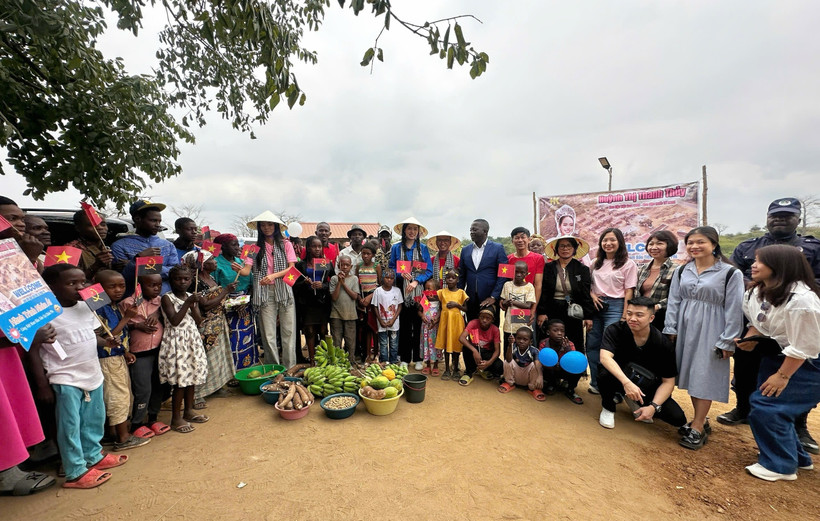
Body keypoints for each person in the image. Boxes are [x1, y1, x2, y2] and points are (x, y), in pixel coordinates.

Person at [725, 197, 820, 456]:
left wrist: (782, 287)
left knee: (785, 390)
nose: (779, 219)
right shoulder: (750, 249)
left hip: (799, 331)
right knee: (748, 377)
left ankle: (796, 427)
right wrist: (752, 330)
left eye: (787, 215)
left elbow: (804, 347)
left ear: (797, 219)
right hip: (764, 328)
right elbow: (736, 275)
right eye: (775, 215)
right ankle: (743, 410)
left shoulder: (809, 257)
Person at [34, 264, 127, 489]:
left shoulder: (87, 307)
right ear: (52, 287)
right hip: (65, 377)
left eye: (83, 282)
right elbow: (33, 350)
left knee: (93, 420)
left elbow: (90, 336)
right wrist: (42, 385)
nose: (80, 287)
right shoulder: (45, 313)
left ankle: (94, 455)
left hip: (92, 373)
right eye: (71, 283)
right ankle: (75, 471)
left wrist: (107, 342)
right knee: (70, 426)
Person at [737, 245, 820, 481]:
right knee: (774, 406)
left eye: (760, 261)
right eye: (754, 260)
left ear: (780, 266)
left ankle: (780, 466)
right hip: (779, 354)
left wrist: (782, 376)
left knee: (767, 406)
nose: (753, 265)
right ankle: (797, 457)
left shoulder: (802, 300)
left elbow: (806, 346)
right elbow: (758, 322)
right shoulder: (757, 291)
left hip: (809, 361)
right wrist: (750, 339)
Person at [663, 226, 744, 450]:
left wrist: (728, 340)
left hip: (713, 329)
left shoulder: (730, 273)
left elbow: (734, 308)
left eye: (701, 242)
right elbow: (674, 301)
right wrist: (671, 327)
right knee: (691, 374)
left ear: (714, 245)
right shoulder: (682, 271)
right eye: (690, 243)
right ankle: (701, 420)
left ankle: (697, 427)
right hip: (686, 328)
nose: (695, 247)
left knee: (704, 375)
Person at [597, 297, 687, 430]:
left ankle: (636, 401)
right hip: (620, 378)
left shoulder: (663, 343)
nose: (632, 318)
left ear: (651, 318)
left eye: (639, 315)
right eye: (629, 313)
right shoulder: (615, 330)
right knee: (605, 372)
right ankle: (608, 408)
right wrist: (626, 383)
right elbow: (605, 358)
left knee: (678, 418)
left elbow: (668, 382)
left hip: (645, 385)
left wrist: (653, 407)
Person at [93, 270, 150, 451]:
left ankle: (113, 433)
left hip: (117, 356)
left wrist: (124, 351)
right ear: (99, 289)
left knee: (122, 395)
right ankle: (123, 438)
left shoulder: (113, 305)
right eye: (112, 286)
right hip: (107, 358)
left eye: (121, 286)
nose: (118, 290)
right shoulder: (99, 309)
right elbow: (106, 337)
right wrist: (127, 318)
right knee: (118, 396)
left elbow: (118, 338)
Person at [0, 324, 57, 496]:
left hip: (8, 354)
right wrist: (25, 335)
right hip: (7, 346)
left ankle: (14, 463)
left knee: (11, 407)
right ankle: (5, 473)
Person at [584, 228, 638, 394]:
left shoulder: (628, 264)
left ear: (620, 242)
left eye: (612, 240)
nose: (608, 243)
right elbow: (589, 285)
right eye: (605, 240)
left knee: (610, 348)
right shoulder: (595, 263)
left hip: (616, 307)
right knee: (592, 345)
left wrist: (624, 315)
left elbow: (629, 291)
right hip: (596, 306)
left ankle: (613, 387)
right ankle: (596, 382)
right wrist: (592, 295)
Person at [182, 251, 236, 410]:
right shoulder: (196, 282)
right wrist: (226, 291)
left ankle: (217, 387)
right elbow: (205, 304)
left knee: (219, 358)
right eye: (211, 259)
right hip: (206, 325)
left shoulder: (210, 279)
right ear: (202, 265)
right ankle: (198, 393)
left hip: (218, 322)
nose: (215, 261)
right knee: (206, 359)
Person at [159, 265, 209, 433]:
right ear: (171, 280)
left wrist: (194, 305)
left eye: (186, 279)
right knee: (181, 381)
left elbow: (198, 320)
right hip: (176, 342)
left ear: (191, 280)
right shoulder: (167, 298)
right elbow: (174, 320)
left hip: (192, 340)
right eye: (178, 279)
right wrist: (188, 303)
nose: (182, 282)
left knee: (192, 377)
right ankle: (176, 417)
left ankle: (188, 410)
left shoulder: (190, 296)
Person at [119, 273, 169, 438]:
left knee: (158, 385)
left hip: (159, 350)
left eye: (159, 285)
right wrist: (137, 326)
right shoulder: (127, 304)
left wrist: (158, 314)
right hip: (140, 353)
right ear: (139, 286)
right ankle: (137, 423)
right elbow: (118, 329)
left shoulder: (160, 301)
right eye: (151, 285)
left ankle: (153, 418)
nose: (156, 288)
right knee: (143, 389)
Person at [247, 212, 298, 368]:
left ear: (276, 226)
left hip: (284, 291)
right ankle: (273, 369)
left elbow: (292, 268)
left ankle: (290, 370)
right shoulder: (252, 248)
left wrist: (273, 276)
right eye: (263, 225)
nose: (266, 228)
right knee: (268, 334)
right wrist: (235, 267)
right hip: (263, 293)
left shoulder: (286, 244)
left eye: (269, 224)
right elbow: (245, 270)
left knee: (288, 333)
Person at [536, 235, 594, 371]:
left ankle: (571, 378)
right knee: (550, 341)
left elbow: (586, 294)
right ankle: (550, 378)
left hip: (572, 311)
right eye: (561, 246)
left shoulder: (582, 269)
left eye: (569, 246)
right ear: (556, 250)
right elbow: (543, 291)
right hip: (552, 310)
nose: (565, 248)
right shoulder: (549, 268)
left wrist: (588, 316)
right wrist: (542, 312)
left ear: (574, 249)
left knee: (573, 341)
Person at [388, 217, 433, 369]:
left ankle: (419, 358)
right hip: (401, 291)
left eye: (415, 229)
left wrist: (416, 281)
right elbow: (391, 268)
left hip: (419, 292)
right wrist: (401, 274)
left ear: (419, 232)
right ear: (404, 231)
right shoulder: (396, 248)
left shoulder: (423, 249)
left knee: (419, 324)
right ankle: (405, 359)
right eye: (409, 228)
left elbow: (429, 270)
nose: (412, 232)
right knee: (405, 325)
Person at [111, 199, 179, 295]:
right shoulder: (119, 246)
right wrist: (138, 258)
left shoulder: (168, 245)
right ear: (137, 219)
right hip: (135, 302)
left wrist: (137, 264)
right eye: (153, 220)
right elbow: (123, 278)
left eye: (159, 221)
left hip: (165, 300)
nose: (158, 225)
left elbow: (174, 273)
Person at [212, 232, 256, 370]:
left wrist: (244, 301)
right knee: (231, 340)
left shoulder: (240, 262)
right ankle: (232, 372)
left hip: (245, 306)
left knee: (247, 338)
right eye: (234, 245)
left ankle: (248, 367)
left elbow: (251, 282)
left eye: (238, 244)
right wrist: (234, 303)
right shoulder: (216, 264)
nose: (238, 247)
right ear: (223, 247)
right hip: (227, 308)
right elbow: (214, 289)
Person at [458, 219, 508, 323]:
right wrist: (459, 296)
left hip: (490, 299)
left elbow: (504, 275)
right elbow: (462, 275)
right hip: (470, 299)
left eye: (474, 230)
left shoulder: (498, 248)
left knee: (490, 330)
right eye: (470, 230)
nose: (471, 232)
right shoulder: (465, 250)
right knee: (472, 328)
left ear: (485, 231)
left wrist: (494, 296)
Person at [294, 236, 334, 363]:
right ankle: (312, 361)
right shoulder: (301, 264)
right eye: (314, 246)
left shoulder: (325, 263)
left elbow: (334, 281)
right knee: (309, 332)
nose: (317, 249)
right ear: (308, 248)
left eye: (319, 246)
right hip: (307, 303)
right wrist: (305, 283)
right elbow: (293, 284)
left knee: (323, 331)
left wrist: (323, 286)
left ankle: (324, 360)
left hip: (322, 302)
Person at [636, 230, 679, 328]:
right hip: (641, 316)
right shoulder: (643, 268)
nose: (654, 247)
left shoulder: (676, 269)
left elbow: (677, 297)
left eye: (659, 243)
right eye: (651, 244)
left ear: (670, 245)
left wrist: (657, 306)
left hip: (662, 317)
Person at [539, 319, 584, 404]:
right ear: (548, 332)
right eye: (555, 330)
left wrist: (568, 350)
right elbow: (541, 360)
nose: (559, 333)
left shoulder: (569, 344)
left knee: (579, 367)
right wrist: (552, 365)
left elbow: (574, 361)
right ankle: (551, 384)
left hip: (565, 370)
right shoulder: (544, 343)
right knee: (542, 367)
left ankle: (570, 389)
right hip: (550, 369)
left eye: (562, 331)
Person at [436, 270, 469, 381]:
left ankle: (455, 369)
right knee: (446, 344)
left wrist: (457, 305)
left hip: (456, 322)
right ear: (445, 279)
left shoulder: (461, 293)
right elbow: (438, 305)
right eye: (448, 277)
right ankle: (446, 369)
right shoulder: (441, 292)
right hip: (445, 322)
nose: (450, 279)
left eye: (453, 277)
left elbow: (466, 309)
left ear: (457, 280)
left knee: (455, 345)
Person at [458, 306, 503, 385]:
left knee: (499, 366)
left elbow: (497, 351)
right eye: (482, 317)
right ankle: (468, 373)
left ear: (492, 320)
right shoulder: (473, 323)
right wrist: (474, 351)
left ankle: (484, 369)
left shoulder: (495, 329)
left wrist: (488, 363)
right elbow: (462, 338)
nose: (484, 320)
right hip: (474, 350)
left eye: (488, 318)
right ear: (479, 317)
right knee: (465, 347)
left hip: (486, 353)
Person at [65, 208, 114, 280]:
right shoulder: (70, 249)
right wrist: (96, 266)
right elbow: (68, 281)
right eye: (92, 225)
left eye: (103, 224)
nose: (100, 228)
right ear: (78, 228)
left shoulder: (105, 248)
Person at [499, 261, 537, 352]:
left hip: (523, 324)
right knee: (509, 348)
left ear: (526, 274)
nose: (519, 275)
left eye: (522, 272)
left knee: (523, 349)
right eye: (516, 272)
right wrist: (506, 303)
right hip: (509, 324)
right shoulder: (507, 285)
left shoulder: (529, 287)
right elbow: (502, 301)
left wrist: (513, 302)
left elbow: (528, 305)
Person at [498, 327, 544, 400]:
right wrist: (510, 345)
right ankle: (509, 383)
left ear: (531, 341)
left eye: (525, 339)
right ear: (515, 338)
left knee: (535, 365)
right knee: (507, 362)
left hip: (527, 378)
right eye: (519, 338)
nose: (521, 341)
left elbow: (538, 363)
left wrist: (540, 376)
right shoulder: (514, 347)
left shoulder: (534, 351)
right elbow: (509, 359)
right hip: (516, 376)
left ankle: (533, 388)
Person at [330, 255, 360, 361]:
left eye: (347, 265)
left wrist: (344, 284)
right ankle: (337, 363)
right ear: (339, 265)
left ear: (351, 266)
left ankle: (350, 362)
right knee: (336, 341)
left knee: (350, 342)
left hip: (351, 315)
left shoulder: (354, 278)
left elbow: (355, 296)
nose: (345, 267)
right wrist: (339, 282)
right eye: (343, 265)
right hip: (336, 314)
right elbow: (334, 297)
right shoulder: (334, 278)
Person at [370, 269, 403, 364]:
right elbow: (375, 306)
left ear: (394, 279)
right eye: (387, 277)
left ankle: (393, 362)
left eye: (391, 278)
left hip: (394, 323)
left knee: (393, 343)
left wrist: (393, 319)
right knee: (383, 344)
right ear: (383, 278)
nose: (389, 280)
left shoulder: (397, 291)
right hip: (382, 323)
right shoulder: (378, 291)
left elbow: (400, 306)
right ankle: (384, 362)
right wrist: (380, 320)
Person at [357, 241, 381, 363]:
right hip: (362, 299)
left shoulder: (376, 266)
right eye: (363, 253)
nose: (365, 256)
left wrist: (371, 296)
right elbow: (357, 284)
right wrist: (360, 299)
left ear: (373, 255)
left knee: (374, 327)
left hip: (374, 298)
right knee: (366, 328)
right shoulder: (359, 266)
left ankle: (376, 353)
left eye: (368, 254)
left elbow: (380, 284)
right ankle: (366, 354)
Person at [508, 227, 545, 305]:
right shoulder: (508, 259)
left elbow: (538, 285)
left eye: (523, 237)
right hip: (512, 302)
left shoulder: (538, 258)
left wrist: (534, 307)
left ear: (528, 239)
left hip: (530, 301)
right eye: (517, 238)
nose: (520, 240)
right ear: (512, 241)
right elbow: (506, 283)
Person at [418, 279, 442, 375]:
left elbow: (441, 311)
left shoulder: (439, 301)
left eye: (429, 288)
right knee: (426, 346)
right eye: (426, 288)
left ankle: (435, 365)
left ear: (436, 290)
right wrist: (422, 315)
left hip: (435, 329)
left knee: (436, 346)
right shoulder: (424, 299)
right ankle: (428, 365)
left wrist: (436, 318)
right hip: (425, 329)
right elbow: (419, 311)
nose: (427, 291)